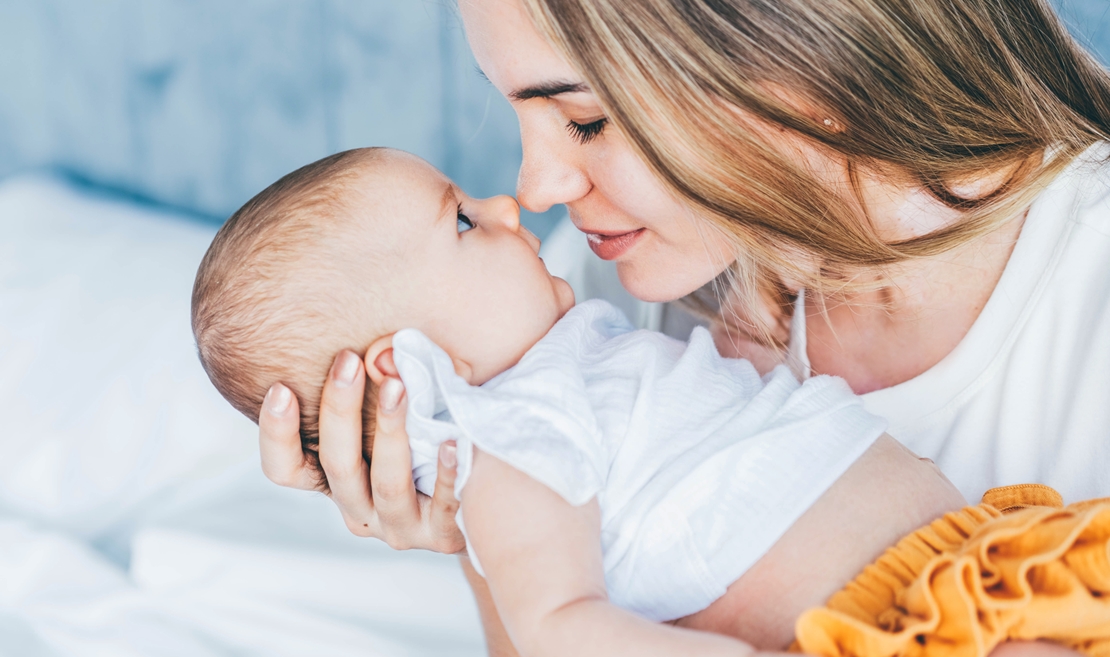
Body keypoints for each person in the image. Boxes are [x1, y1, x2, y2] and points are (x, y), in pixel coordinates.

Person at [253, 0, 1110, 653]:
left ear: (805, 63)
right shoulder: (586, 304)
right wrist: (479, 525)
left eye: (586, 119)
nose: (537, 185)